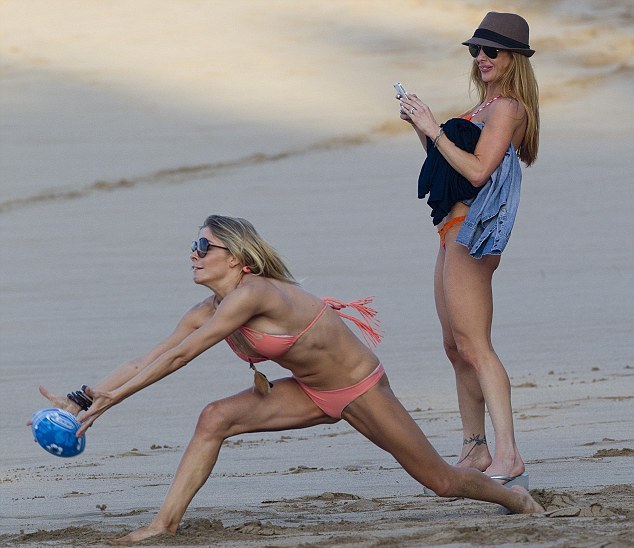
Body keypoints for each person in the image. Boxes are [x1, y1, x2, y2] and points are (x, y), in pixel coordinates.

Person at [33, 214, 543, 545]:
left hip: (361, 388)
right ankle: (162, 525)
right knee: (215, 418)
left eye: (203, 245)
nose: (193, 253)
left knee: (442, 482)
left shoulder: (256, 294)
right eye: (193, 245)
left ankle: (515, 498)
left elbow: (183, 357)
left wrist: (114, 401)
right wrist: (85, 399)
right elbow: (150, 357)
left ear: (237, 257)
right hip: (311, 391)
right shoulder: (208, 307)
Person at [396, 12, 539, 486]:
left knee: (476, 346)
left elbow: (478, 172)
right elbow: (450, 166)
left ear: (513, 58)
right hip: (450, 230)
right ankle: (475, 448)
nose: (481, 57)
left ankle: (508, 454)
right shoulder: (483, 107)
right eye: (475, 49)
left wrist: (435, 128)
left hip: (473, 233)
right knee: (455, 346)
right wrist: (421, 127)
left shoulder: (509, 108)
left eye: (490, 50)